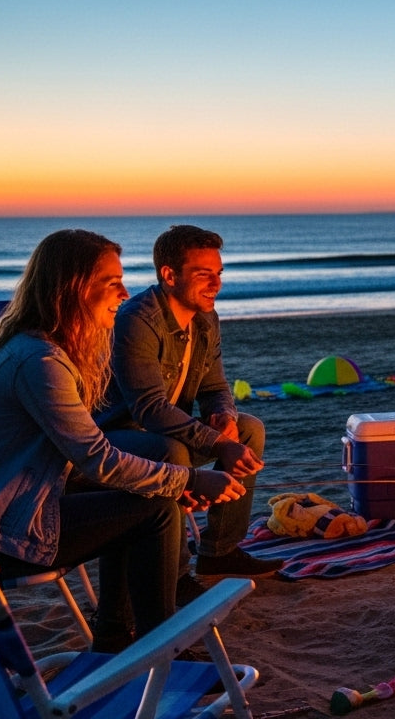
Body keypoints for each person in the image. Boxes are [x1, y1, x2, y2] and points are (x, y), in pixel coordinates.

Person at [0, 229, 245, 653]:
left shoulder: (39, 349)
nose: (125, 292)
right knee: (156, 512)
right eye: (111, 283)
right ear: (73, 289)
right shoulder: (39, 362)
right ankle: (161, 650)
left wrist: (166, 480)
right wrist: (186, 480)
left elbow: (81, 458)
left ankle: (117, 637)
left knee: (143, 499)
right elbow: (98, 459)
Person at [96, 225, 282, 583]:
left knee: (248, 428)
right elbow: (148, 409)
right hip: (117, 439)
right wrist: (217, 442)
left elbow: (214, 386)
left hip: (169, 433)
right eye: (203, 274)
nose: (216, 284)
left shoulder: (206, 318)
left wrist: (223, 417)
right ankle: (176, 575)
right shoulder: (136, 319)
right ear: (169, 275)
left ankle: (220, 552)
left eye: (218, 274)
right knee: (172, 451)